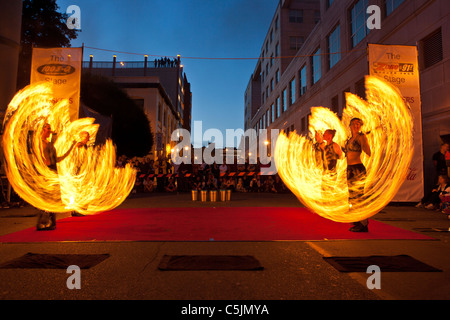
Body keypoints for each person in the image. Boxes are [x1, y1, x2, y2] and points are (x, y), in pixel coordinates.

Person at [36, 123, 81, 231]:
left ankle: (51, 222)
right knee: (47, 198)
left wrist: (71, 147)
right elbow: (40, 159)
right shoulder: (40, 144)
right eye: (48, 129)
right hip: (47, 172)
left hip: (53, 170)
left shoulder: (49, 143)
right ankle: (42, 223)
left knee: (53, 197)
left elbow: (57, 159)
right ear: (42, 130)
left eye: (50, 128)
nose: (50, 131)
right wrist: (44, 172)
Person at [343, 118, 371, 232]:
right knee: (352, 198)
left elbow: (368, 152)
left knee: (358, 197)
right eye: (354, 123)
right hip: (349, 169)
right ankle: (357, 222)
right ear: (350, 125)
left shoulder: (361, 137)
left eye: (358, 124)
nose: (356, 125)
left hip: (358, 170)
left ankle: (364, 224)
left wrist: (364, 142)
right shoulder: (349, 139)